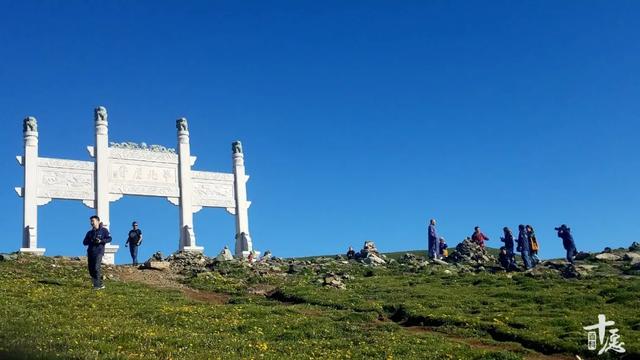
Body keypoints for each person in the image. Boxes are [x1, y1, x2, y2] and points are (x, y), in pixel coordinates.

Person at [82, 215, 112, 290]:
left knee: (96, 267)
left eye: (93, 221)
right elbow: (84, 242)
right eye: (91, 221)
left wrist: (101, 241)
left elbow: (109, 238)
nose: (92, 223)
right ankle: (99, 284)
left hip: (99, 251)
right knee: (91, 269)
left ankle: (97, 286)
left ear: (98, 221)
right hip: (90, 252)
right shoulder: (89, 233)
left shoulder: (104, 230)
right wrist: (92, 240)